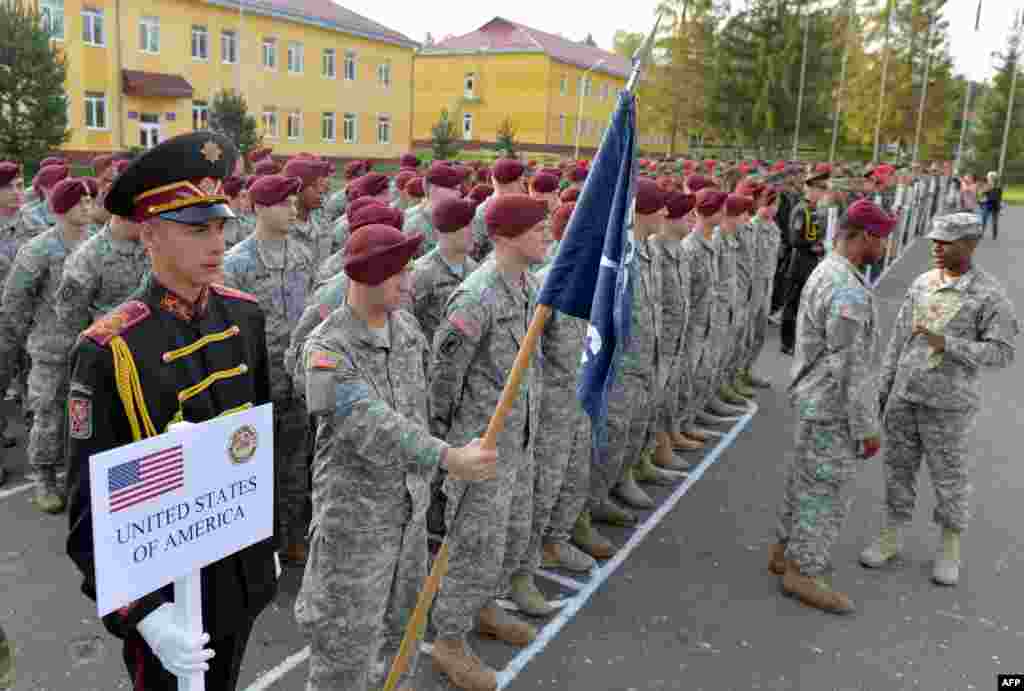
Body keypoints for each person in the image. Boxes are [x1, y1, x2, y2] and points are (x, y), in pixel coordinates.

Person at [65, 132, 279, 690]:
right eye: (195, 229)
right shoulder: (111, 349)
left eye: (219, 227)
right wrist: (144, 614)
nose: (216, 243)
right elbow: (91, 506)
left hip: (237, 569)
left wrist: (265, 541)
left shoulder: (244, 317)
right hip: (165, 585)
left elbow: (257, 439)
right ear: (152, 234)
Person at [294, 223, 496, 691]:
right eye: (397, 274)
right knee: (344, 654)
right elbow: (367, 422)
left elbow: (421, 409)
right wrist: (448, 458)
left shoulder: (405, 328)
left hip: (408, 518)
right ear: (366, 277)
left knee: (403, 635)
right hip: (355, 529)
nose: (409, 283)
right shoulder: (324, 351)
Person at [429, 194, 549, 690]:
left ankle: (483, 608)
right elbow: (443, 377)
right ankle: (449, 641)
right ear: (504, 237)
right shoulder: (477, 296)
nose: (545, 234)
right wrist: (452, 448)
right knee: (473, 545)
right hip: (481, 449)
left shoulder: (527, 286)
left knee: (506, 536)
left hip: (518, 442)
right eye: (536, 228)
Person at [860, 213, 1018, 585]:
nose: (936, 247)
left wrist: (949, 344)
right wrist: (883, 391)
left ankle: (949, 547)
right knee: (898, 470)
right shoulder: (922, 283)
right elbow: (897, 341)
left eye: (946, 241)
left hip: (949, 404)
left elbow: (1002, 352)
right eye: (935, 240)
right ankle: (892, 535)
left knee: (949, 479)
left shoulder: (989, 295)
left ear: (969, 245)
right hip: (905, 395)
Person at [770, 199, 894, 615]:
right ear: (865, 236)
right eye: (883, 239)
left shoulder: (832, 270)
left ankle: (784, 552)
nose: (885, 247)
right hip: (832, 405)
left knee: (803, 480)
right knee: (825, 491)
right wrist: (867, 427)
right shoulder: (846, 288)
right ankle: (803, 572)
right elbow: (851, 367)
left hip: (815, 397)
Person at [222, 175, 317, 563]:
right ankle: (255, 546)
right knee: (250, 465)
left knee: (295, 463)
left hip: (294, 379)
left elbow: (311, 314)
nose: (292, 208)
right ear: (259, 207)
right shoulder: (237, 263)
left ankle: (292, 536)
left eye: (294, 201)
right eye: (283, 202)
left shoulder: (303, 255)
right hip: (254, 381)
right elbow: (227, 329)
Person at [0, 178, 93, 512]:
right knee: (48, 416)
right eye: (81, 201)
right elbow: (14, 302)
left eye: (89, 199)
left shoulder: (97, 245)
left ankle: (80, 475)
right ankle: (44, 477)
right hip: (51, 350)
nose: (88, 205)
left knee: (85, 416)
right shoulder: (39, 249)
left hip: (91, 348)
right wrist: (27, 338)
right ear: (63, 207)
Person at [780, 172, 828, 355]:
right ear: (809, 188)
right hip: (798, 262)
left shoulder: (814, 209)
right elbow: (794, 239)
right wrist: (812, 247)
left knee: (805, 303)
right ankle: (787, 342)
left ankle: (798, 340)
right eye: (818, 188)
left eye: (823, 189)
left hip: (810, 262)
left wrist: (820, 247)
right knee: (792, 304)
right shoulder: (801, 209)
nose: (821, 193)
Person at [979, 171, 1003, 239]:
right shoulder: (986, 185)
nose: (990, 178)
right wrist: (986, 189)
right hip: (987, 204)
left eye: (992, 177)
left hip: (995, 205)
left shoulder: (998, 187)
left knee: (994, 221)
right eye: (990, 177)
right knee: (984, 219)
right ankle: (981, 233)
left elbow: (999, 198)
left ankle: (994, 234)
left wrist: (1000, 207)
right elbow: (981, 193)